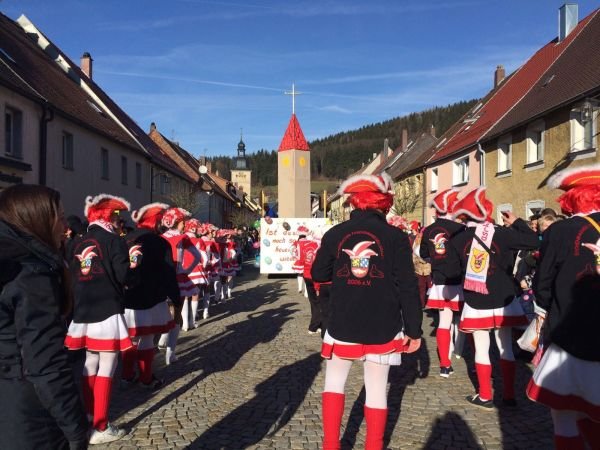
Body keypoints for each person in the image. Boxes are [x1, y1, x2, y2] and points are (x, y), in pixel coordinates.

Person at [311, 172, 422, 450]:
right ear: (383, 202)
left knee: (334, 383)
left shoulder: (335, 234)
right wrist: (414, 329)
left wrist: (342, 276)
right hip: (383, 323)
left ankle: (330, 445)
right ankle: (374, 446)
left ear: (354, 201)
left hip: (342, 320)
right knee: (376, 390)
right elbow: (408, 287)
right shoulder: (396, 237)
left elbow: (318, 273)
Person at [0, 185, 89, 450]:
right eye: (59, 217)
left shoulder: (10, 265)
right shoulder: (30, 274)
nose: (66, 227)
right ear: (36, 220)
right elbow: (46, 364)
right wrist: (76, 430)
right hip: (30, 416)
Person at [527, 164, 600, 450]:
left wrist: (546, 308)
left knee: (565, 417)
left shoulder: (562, 231)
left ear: (571, 199)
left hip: (570, 334)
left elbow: (543, 283)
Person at [446, 187, 539, 410]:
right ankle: (509, 396)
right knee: (506, 347)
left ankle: (485, 395)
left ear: (465, 216)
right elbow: (534, 241)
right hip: (504, 298)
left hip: (477, 299)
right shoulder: (502, 234)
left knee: (481, 349)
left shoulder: (457, 240)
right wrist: (517, 222)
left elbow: (452, 271)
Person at [64, 194, 133, 444]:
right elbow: (124, 275)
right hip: (107, 309)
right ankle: (101, 426)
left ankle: (90, 416)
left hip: (83, 310)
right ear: (108, 217)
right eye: (116, 217)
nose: (118, 222)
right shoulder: (114, 241)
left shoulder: (77, 242)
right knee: (107, 363)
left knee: (89, 361)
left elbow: (71, 275)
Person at [121, 203, 180, 389]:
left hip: (127, 297)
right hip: (151, 297)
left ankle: (127, 375)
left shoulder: (125, 239)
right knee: (147, 338)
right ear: (155, 221)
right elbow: (168, 273)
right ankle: (146, 378)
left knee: (131, 339)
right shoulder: (160, 242)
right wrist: (176, 297)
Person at [418, 189, 465, 377]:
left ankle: (445, 365)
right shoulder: (460, 229)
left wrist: (437, 260)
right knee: (467, 321)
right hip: (459, 280)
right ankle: (465, 357)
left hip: (439, 281)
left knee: (443, 323)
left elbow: (423, 254)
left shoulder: (428, 230)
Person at [157, 208, 201, 363]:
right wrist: (186, 270)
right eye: (183, 222)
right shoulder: (182, 238)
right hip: (178, 277)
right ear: (178, 222)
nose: (185, 225)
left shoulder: (160, 238)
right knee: (176, 314)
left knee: (165, 310)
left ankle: (162, 339)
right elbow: (197, 256)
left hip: (162, 279)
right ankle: (170, 353)